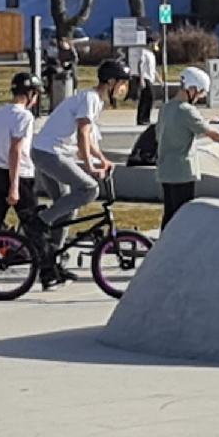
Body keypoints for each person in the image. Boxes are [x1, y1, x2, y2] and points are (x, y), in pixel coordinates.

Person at [33, 59, 126, 280]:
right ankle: (40, 222)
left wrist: (102, 160)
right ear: (111, 82)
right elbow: (83, 134)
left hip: (47, 152)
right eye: (122, 83)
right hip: (51, 153)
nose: (124, 89)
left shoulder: (95, 101)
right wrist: (91, 168)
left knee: (67, 207)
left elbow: (90, 141)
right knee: (88, 189)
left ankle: (51, 262)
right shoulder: (90, 98)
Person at [155, 66, 219, 226]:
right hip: (182, 171)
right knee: (182, 217)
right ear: (192, 88)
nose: (199, 98)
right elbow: (214, 135)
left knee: (170, 215)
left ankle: (164, 247)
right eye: (200, 93)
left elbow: (163, 133)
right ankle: (181, 249)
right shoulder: (187, 111)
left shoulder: (165, 108)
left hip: (165, 170)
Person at [0, 73, 41, 235]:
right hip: (19, 175)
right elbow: (15, 150)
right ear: (30, 94)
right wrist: (14, 186)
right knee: (33, 225)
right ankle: (43, 258)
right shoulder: (24, 116)